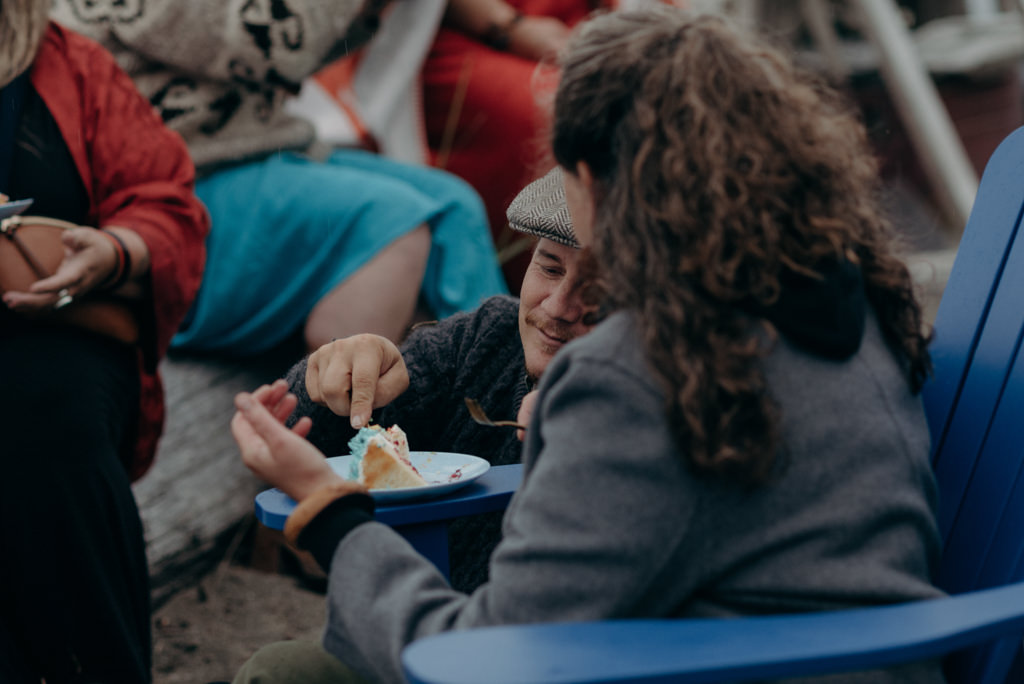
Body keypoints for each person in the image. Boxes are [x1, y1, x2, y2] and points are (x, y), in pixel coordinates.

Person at [229, 7, 945, 684]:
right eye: (549, 262)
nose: (567, 303)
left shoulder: (644, 374)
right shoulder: (843, 306)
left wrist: (330, 512)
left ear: (603, 187)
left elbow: (494, 660)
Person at [50, 0, 508, 356]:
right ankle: (333, 444)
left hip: (250, 146)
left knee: (454, 204)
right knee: (392, 224)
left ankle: (509, 406)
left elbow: (318, 43)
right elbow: (277, 45)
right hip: (168, 182)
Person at [0, 1, 208, 682]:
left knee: (45, 412)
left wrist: (117, 251)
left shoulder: (71, 66)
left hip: (58, 332)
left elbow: (169, 207)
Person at [282, 165, 598, 593]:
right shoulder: (482, 342)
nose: (559, 307)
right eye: (550, 268)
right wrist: (336, 379)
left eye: (598, 288)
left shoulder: (678, 416)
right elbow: (312, 441)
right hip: (426, 637)